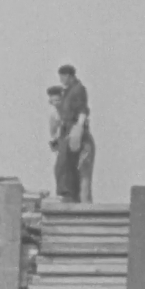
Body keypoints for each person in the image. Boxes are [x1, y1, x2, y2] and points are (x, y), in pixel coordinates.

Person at [54, 64, 90, 202]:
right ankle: (68, 194)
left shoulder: (78, 90)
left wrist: (78, 128)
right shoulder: (68, 91)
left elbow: (82, 110)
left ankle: (68, 194)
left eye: (62, 77)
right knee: (63, 165)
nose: (61, 80)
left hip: (73, 130)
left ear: (68, 76)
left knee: (65, 164)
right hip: (65, 131)